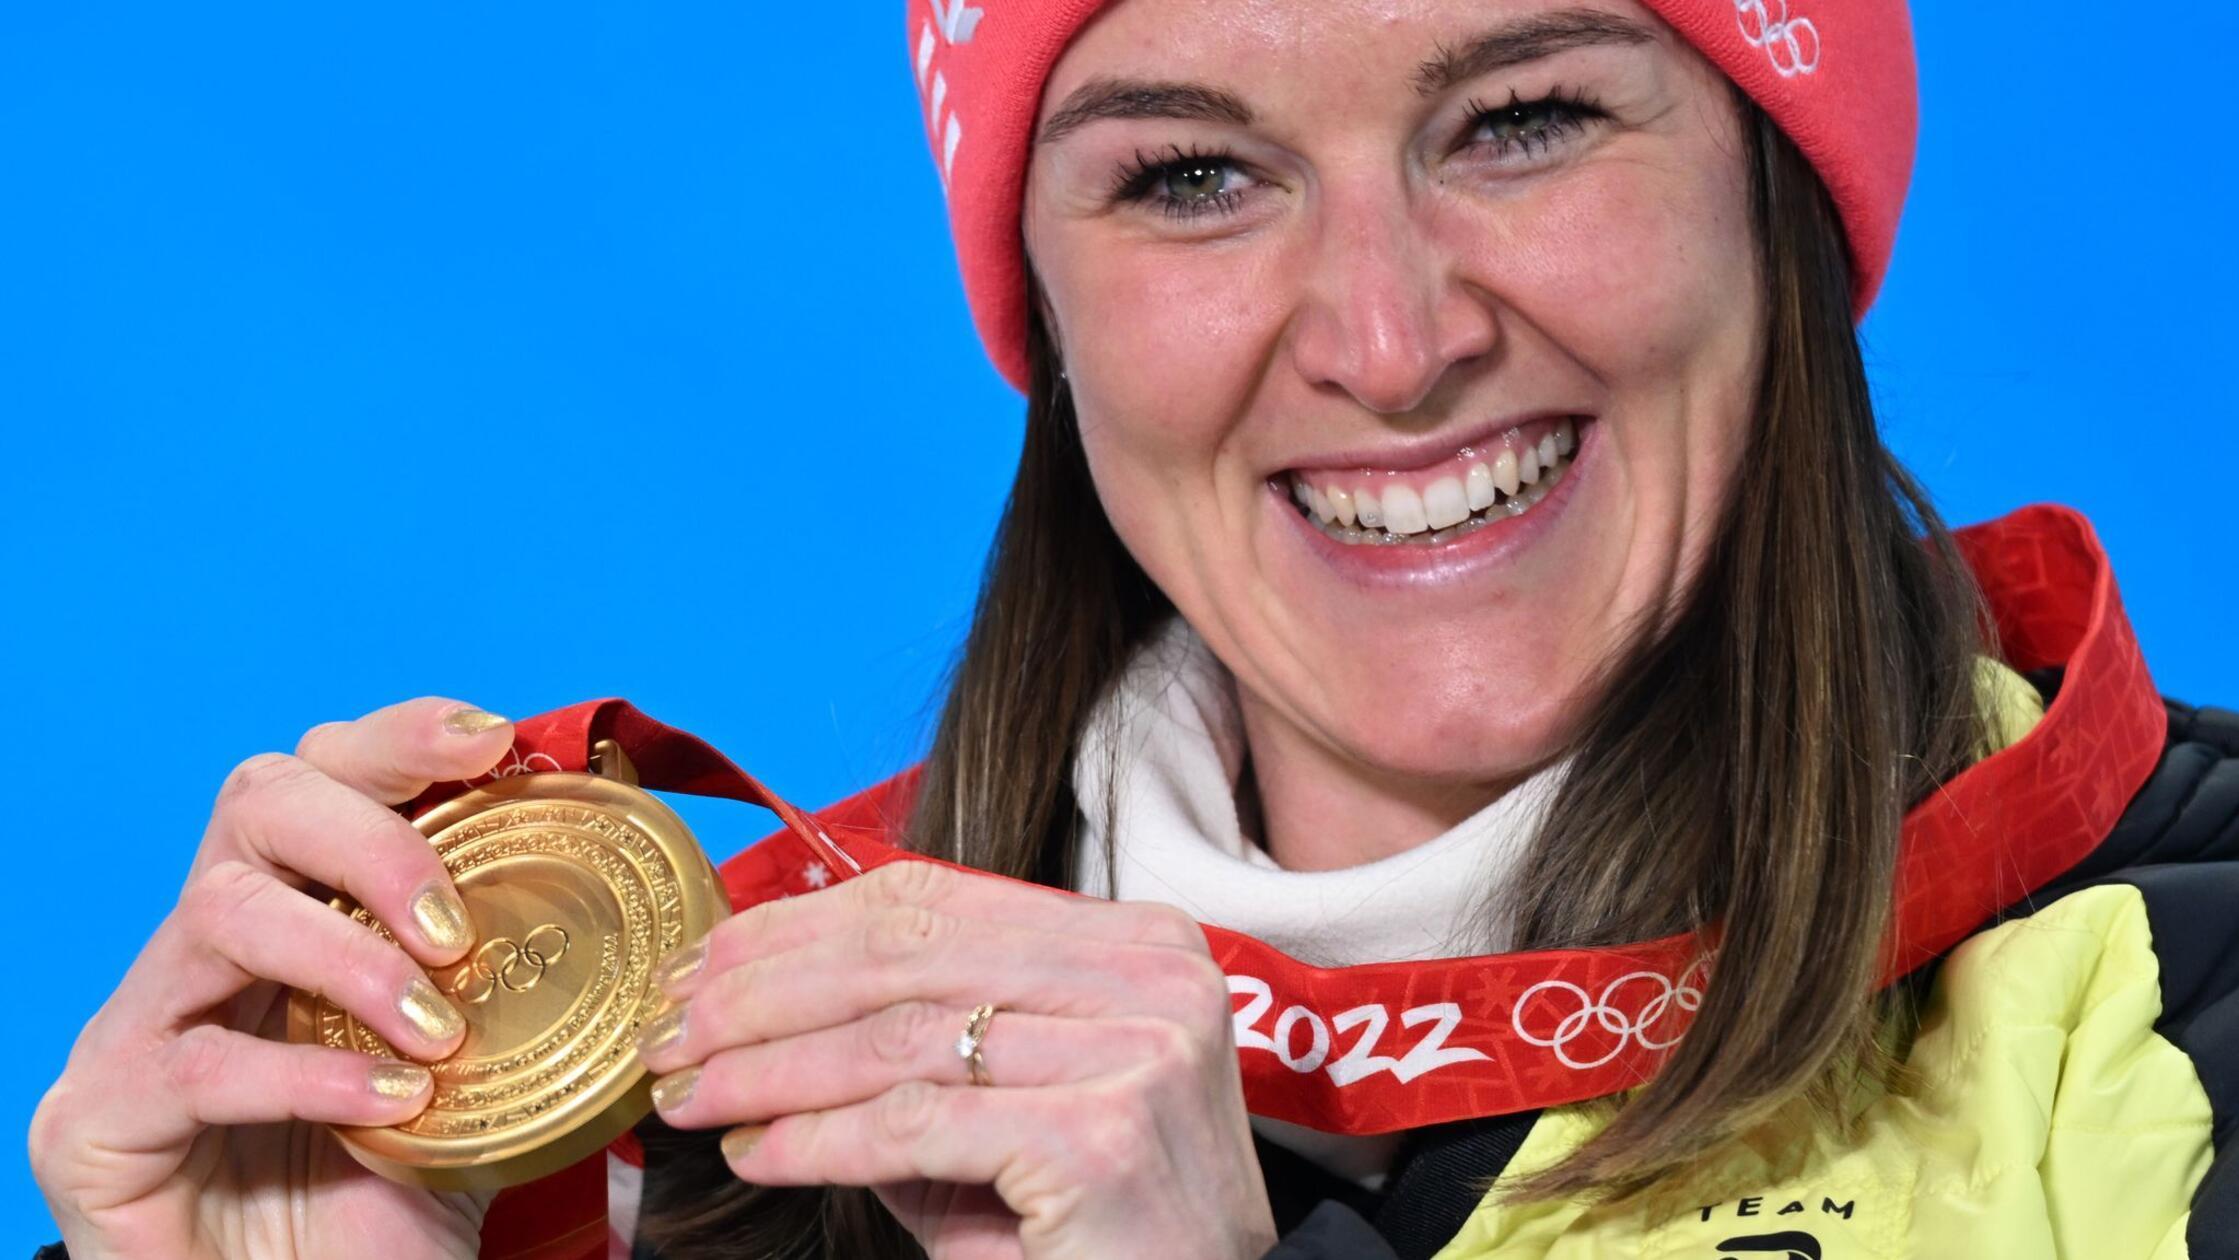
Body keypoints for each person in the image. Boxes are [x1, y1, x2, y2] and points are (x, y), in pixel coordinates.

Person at [31, 0, 2238, 1256]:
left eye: (1524, 120)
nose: (1387, 341)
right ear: (1047, 301)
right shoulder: (703, 1165)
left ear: (1779, 189)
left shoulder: (2182, 995)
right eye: (1192, 175)